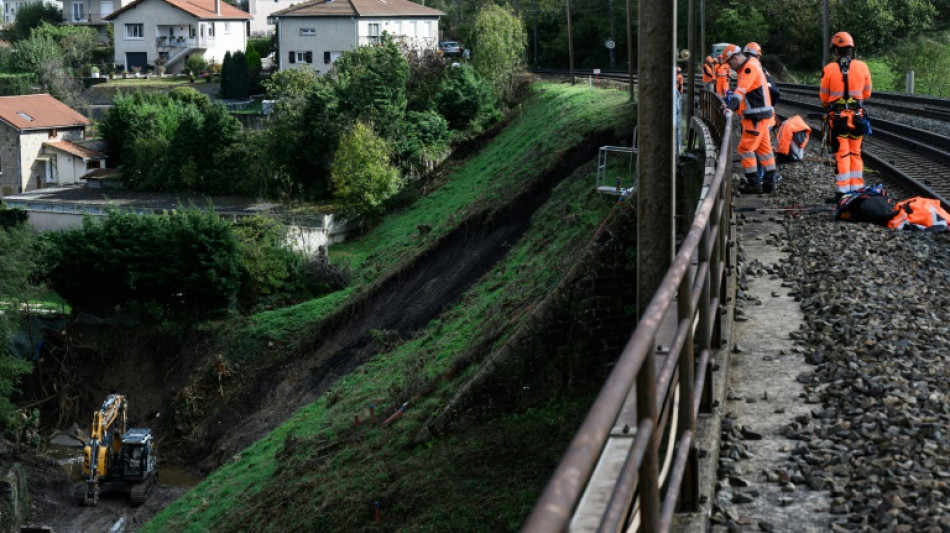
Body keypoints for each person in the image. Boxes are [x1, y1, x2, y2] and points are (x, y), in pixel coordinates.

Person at [720, 43, 778, 193]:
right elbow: (748, 96)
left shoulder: (748, 68)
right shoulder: (752, 64)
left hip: (755, 117)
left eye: (730, 63)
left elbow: (740, 92)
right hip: (762, 116)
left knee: (745, 148)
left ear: (735, 58)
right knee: (765, 151)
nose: (730, 67)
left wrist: (730, 107)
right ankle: (769, 183)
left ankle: (754, 184)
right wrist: (732, 106)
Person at [820, 31, 872, 197]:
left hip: (838, 119)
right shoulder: (862, 67)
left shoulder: (829, 69)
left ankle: (843, 193)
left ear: (835, 50)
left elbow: (824, 98)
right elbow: (867, 93)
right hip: (857, 118)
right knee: (855, 153)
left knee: (842, 154)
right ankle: (857, 190)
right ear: (851, 49)